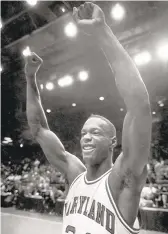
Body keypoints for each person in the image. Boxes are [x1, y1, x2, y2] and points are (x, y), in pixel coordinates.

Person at [25, 2, 152, 234]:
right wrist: (30, 79)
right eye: (84, 133)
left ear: (113, 142)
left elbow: (140, 106)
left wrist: (103, 32)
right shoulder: (74, 174)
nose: (86, 138)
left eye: (95, 132)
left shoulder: (122, 179)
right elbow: (38, 129)